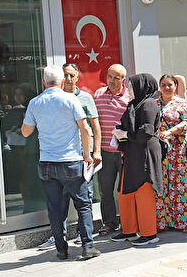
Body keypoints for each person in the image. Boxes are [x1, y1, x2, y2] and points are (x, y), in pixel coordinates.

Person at [21, 65, 100, 260]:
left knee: (55, 208)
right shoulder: (71, 99)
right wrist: (87, 155)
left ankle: (61, 249)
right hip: (71, 161)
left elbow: (25, 132)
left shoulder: (35, 102)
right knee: (83, 205)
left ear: (43, 82)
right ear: (62, 82)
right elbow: (84, 128)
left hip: (47, 162)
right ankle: (88, 246)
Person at [110, 74, 162, 246]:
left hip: (144, 155)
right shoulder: (135, 104)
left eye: (131, 86)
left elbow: (147, 131)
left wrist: (125, 134)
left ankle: (149, 233)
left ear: (141, 87)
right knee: (125, 192)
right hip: (132, 154)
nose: (128, 89)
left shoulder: (148, 104)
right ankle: (129, 230)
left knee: (143, 192)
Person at [155, 74, 187, 232]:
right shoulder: (155, 104)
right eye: (163, 85)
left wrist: (169, 132)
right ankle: (168, 221)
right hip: (163, 152)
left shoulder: (181, 103)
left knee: (182, 186)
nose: (167, 88)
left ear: (175, 86)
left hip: (180, 151)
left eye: (170, 84)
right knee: (165, 186)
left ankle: (185, 221)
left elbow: (186, 123)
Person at [93, 64, 131, 236]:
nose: (113, 81)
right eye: (110, 76)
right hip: (105, 153)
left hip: (125, 152)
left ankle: (127, 221)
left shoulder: (130, 97)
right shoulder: (98, 95)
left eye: (117, 77)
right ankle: (109, 223)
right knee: (105, 190)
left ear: (124, 80)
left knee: (125, 189)